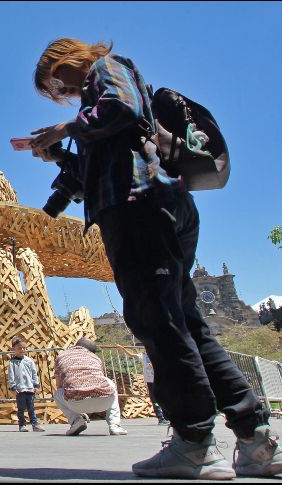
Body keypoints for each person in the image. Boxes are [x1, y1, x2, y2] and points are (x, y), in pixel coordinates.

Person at [30, 38, 281, 479]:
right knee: (185, 324)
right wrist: (58, 154)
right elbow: (96, 172)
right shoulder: (97, 109)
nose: (61, 97)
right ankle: (255, 439)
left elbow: (124, 110)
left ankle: (195, 444)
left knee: (158, 323)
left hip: (139, 210)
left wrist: (65, 129)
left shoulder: (106, 70)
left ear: (65, 62)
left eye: (56, 86)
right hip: (151, 206)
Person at [53, 338, 127, 437]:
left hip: (76, 403)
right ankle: (115, 426)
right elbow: (101, 378)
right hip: (105, 402)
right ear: (90, 351)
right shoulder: (96, 358)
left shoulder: (61, 356)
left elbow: (59, 384)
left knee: (57, 393)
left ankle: (76, 421)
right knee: (110, 383)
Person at [116, 345, 168, 426]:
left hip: (159, 379)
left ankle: (166, 416)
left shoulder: (158, 355)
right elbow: (132, 355)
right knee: (154, 398)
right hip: (150, 380)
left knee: (162, 397)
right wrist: (123, 349)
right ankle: (160, 417)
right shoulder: (144, 356)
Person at [7, 337, 45, 433]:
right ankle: (22, 424)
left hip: (30, 388)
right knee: (21, 409)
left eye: (24, 348)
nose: (22, 350)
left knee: (31, 408)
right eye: (19, 348)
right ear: (13, 349)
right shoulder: (12, 363)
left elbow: (34, 373)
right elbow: (11, 376)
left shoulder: (29, 361)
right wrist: (13, 386)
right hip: (20, 390)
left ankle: (35, 424)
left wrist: (36, 385)